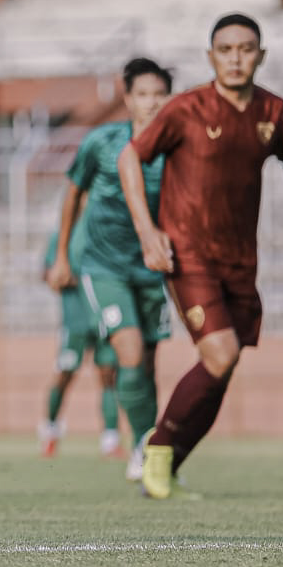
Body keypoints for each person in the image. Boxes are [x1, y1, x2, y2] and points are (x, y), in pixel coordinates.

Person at [118, 14, 283, 500]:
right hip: (188, 254)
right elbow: (130, 157)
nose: (236, 58)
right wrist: (148, 230)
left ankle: (168, 465)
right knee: (219, 354)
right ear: (211, 57)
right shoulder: (187, 109)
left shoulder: (273, 112)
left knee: (223, 365)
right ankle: (155, 448)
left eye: (246, 49)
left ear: (260, 55)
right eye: (226, 49)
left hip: (240, 261)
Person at [47, 57, 174, 479]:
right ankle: (140, 447)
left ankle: (151, 450)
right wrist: (63, 253)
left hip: (154, 270)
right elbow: (71, 195)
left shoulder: (176, 150)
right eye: (143, 94)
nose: (151, 103)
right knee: (130, 353)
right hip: (103, 268)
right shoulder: (102, 143)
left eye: (159, 94)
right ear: (128, 98)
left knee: (149, 364)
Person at [38, 201, 119, 459]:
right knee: (65, 373)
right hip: (75, 320)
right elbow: (47, 273)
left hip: (104, 316)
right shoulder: (64, 234)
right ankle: (50, 431)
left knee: (108, 375)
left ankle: (111, 440)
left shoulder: (105, 233)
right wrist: (61, 276)